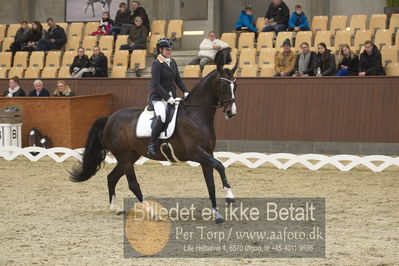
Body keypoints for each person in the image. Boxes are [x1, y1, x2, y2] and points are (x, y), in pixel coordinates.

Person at [146, 38, 189, 156]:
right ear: (160, 50)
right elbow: (156, 84)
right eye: (166, 49)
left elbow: (178, 79)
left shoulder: (172, 62)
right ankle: (152, 144)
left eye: (170, 49)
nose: (169, 51)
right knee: (162, 117)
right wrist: (167, 97)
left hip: (172, 96)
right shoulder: (156, 64)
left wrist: (185, 91)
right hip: (159, 97)